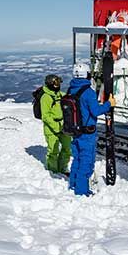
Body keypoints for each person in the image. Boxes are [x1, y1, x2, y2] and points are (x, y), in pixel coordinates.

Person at [66, 62, 112, 196]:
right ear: (87, 75)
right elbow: (96, 111)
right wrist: (109, 104)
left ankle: (73, 184)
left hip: (75, 131)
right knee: (86, 161)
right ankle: (81, 191)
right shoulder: (88, 92)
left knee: (77, 158)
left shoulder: (71, 89)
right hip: (87, 133)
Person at [39, 74, 71, 174]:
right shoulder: (46, 97)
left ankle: (63, 167)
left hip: (63, 125)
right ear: (50, 83)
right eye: (56, 83)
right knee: (53, 151)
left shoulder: (61, 95)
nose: (58, 85)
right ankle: (53, 170)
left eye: (59, 83)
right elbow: (45, 116)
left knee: (67, 148)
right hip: (51, 128)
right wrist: (56, 127)